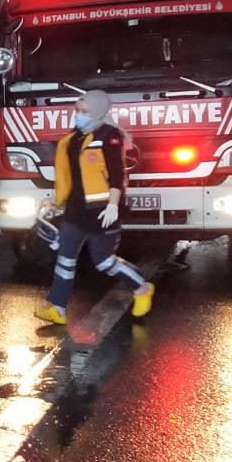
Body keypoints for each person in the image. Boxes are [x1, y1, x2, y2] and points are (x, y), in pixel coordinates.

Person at [34, 89, 154, 324]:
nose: (79, 115)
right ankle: (57, 308)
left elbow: (118, 174)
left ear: (98, 111)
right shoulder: (73, 139)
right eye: (77, 111)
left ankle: (141, 287)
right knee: (65, 258)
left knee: (104, 261)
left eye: (84, 111)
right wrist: (56, 201)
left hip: (102, 211)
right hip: (76, 210)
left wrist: (113, 205)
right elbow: (69, 176)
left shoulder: (110, 136)